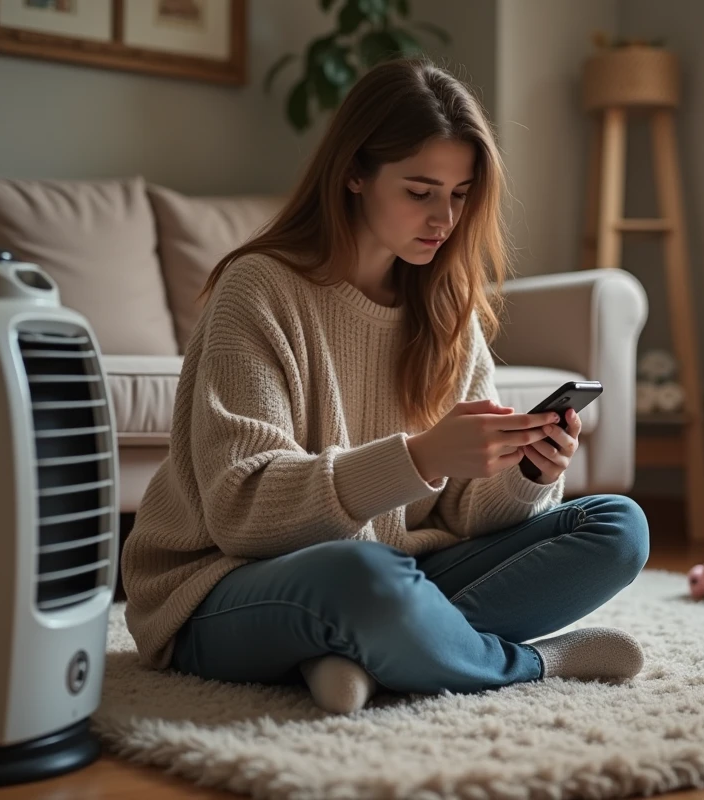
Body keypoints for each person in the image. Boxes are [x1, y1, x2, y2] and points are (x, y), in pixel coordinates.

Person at [120, 57, 650, 714]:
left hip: (398, 575)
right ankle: (532, 664)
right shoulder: (257, 290)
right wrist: (420, 457)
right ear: (354, 175)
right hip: (224, 587)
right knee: (361, 575)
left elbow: (464, 518)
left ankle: (367, 649)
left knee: (618, 526)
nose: (444, 219)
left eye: (459, 195)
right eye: (420, 191)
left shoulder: (444, 306)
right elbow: (240, 515)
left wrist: (526, 473)